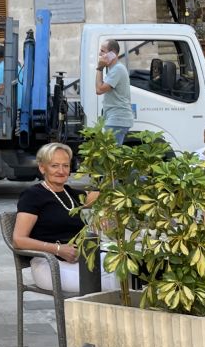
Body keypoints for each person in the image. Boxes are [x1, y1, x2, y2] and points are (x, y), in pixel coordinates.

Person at [10, 142, 93, 293]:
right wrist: (58, 249)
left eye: (66, 166)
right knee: (106, 281)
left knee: (125, 271)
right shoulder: (33, 195)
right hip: (49, 264)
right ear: (42, 168)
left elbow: (105, 196)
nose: (61, 171)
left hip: (77, 260)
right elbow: (18, 240)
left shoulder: (71, 193)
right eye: (54, 165)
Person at [95, 39, 133, 143]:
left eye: (103, 51)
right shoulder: (113, 69)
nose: (100, 53)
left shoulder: (118, 69)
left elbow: (99, 89)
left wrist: (99, 68)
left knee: (112, 155)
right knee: (111, 154)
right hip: (114, 118)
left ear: (113, 54)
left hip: (117, 119)